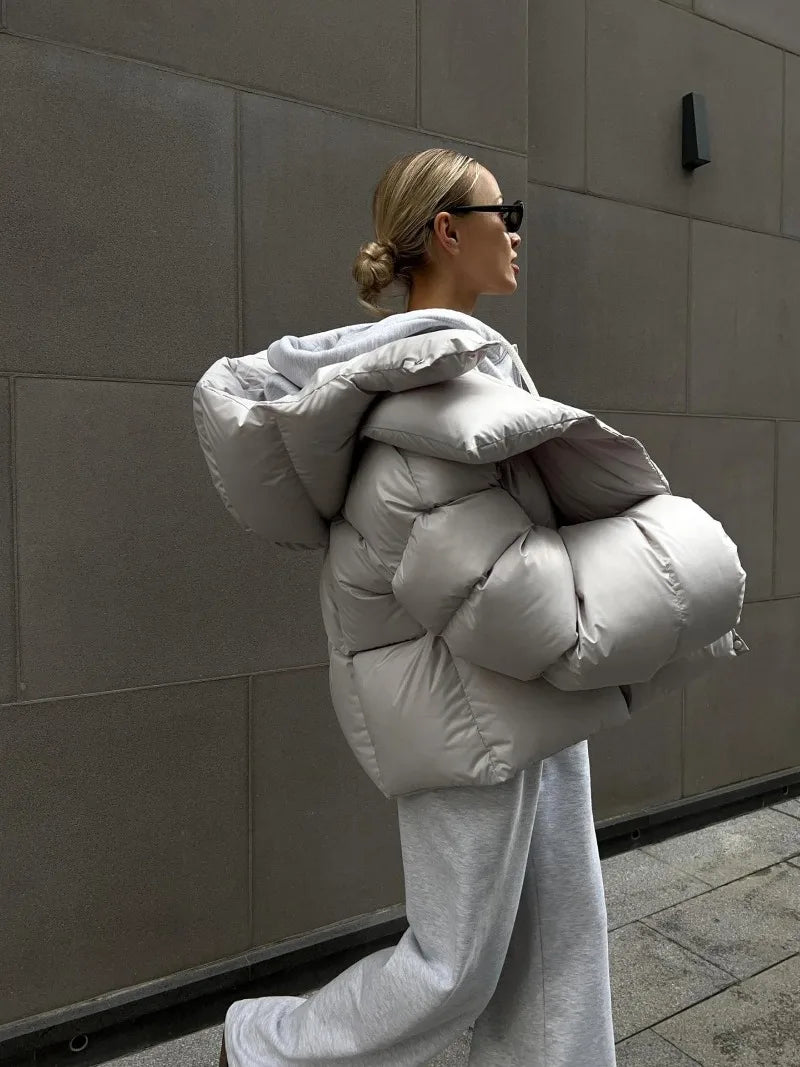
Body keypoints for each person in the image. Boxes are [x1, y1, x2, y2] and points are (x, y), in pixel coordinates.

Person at [194, 149, 747, 1066]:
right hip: (458, 714)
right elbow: (512, 600)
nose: (517, 229)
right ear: (449, 230)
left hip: (517, 704)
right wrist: (677, 572)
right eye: (506, 210)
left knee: (558, 939)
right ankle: (265, 1046)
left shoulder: (466, 375)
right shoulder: (422, 399)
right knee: (455, 964)